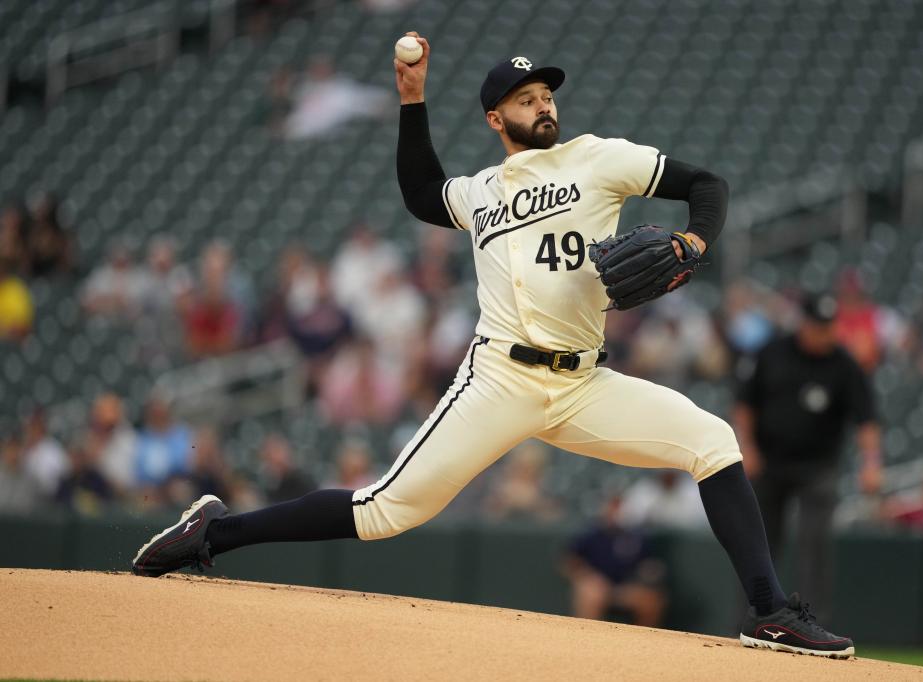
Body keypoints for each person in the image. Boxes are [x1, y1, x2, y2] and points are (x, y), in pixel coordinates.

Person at [131, 35, 854, 658]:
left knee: (712, 440)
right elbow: (421, 193)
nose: (543, 104)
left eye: (546, 93)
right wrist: (412, 98)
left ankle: (769, 614)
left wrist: (695, 240)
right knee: (386, 510)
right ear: (495, 117)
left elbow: (707, 183)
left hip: (582, 385)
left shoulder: (598, 158)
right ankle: (214, 534)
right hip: (499, 381)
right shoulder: (479, 192)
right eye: (526, 97)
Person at [733, 292, 883, 624]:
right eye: (818, 326)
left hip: (818, 467)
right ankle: (750, 620)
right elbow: (744, 404)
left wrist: (871, 462)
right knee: (758, 546)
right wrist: (747, 448)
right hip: (769, 462)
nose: (824, 334)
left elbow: (867, 419)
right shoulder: (772, 352)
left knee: (815, 547)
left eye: (829, 327)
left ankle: (812, 624)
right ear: (804, 324)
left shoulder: (844, 363)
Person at [564, 495, 667, 628]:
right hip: (598, 586)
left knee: (651, 600)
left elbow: (648, 564)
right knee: (591, 594)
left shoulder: (636, 535)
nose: (618, 511)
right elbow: (570, 560)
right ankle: (588, 636)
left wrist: (649, 573)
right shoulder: (591, 533)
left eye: (620, 507)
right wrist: (587, 576)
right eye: (614, 506)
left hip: (625, 587)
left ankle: (641, 641)